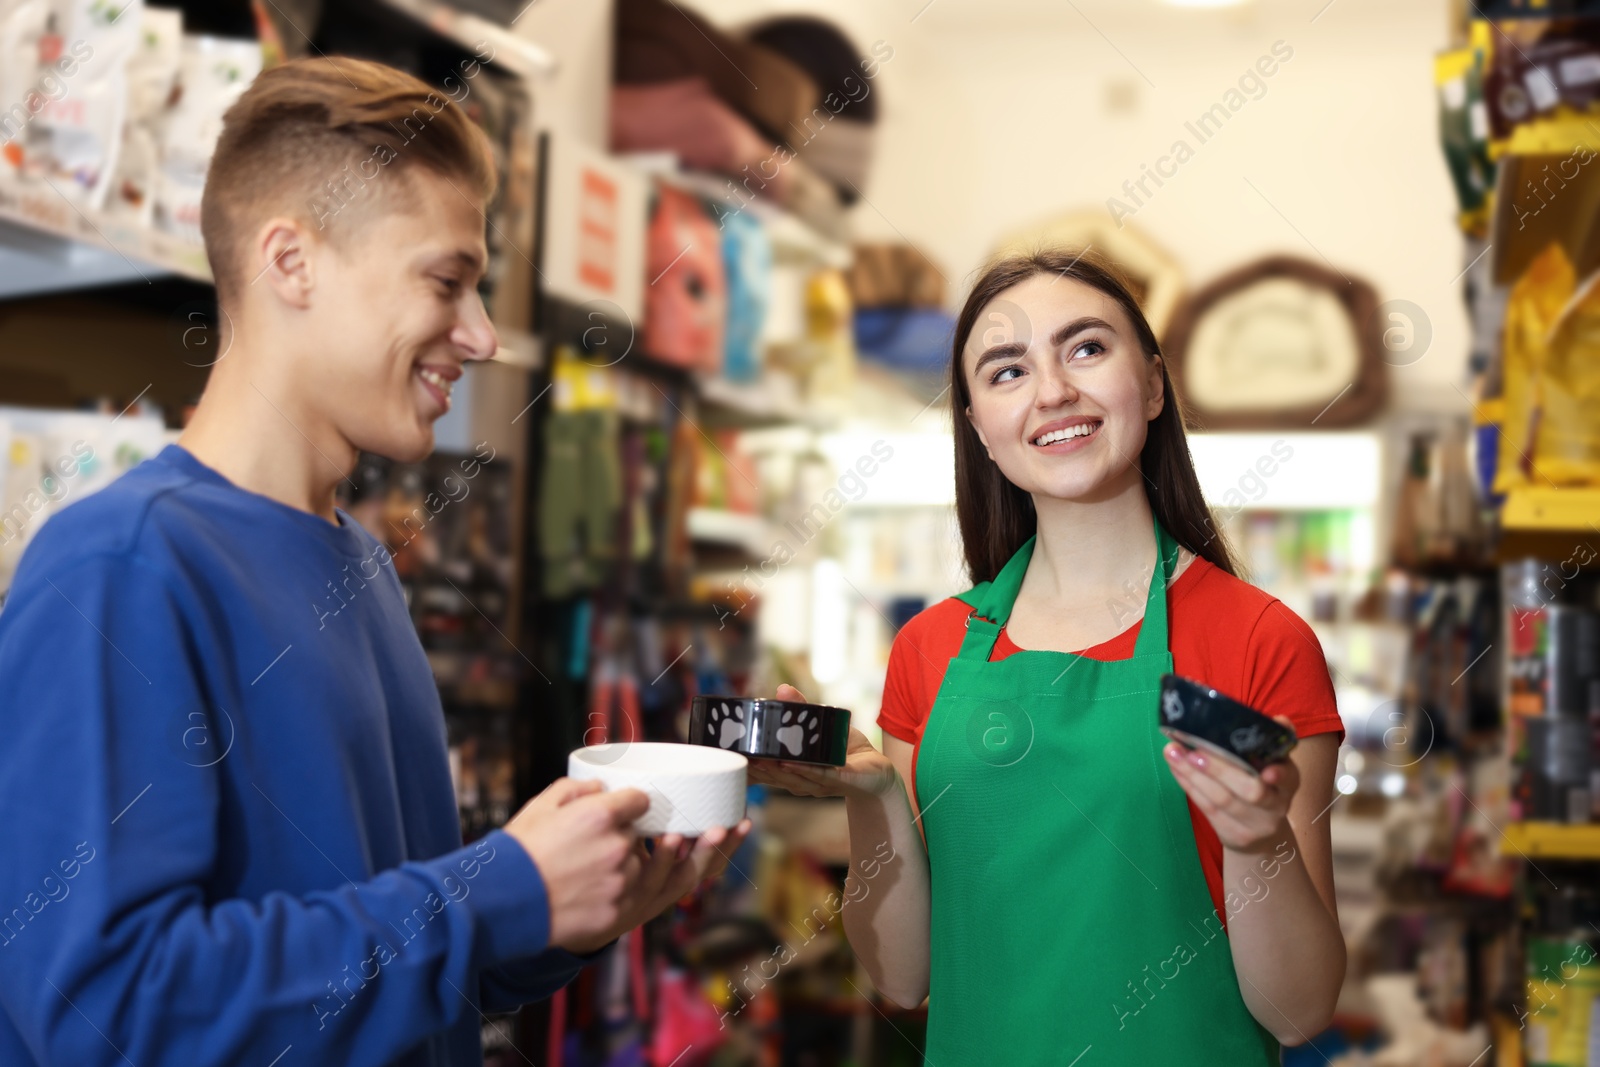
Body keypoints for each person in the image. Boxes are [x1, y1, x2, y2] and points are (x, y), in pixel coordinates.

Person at [0, 56, 749, 1067]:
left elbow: (389, 967)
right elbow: (114, 1010)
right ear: (291, 261)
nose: (480, 335)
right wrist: (496, 889)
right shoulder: (121, 568)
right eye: (447, 281)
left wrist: (562, 911)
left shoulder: (361, 563)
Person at [751, 251, 1346, 1064]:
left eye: (1087, 348)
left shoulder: (1260, 639)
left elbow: (1298, 1011)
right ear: (978, 427)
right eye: (1006, 370)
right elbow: (900, 976)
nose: (1053, 391)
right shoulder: (929, 649)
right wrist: (874, 798)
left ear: (1155, 385)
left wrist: (1259, 842)